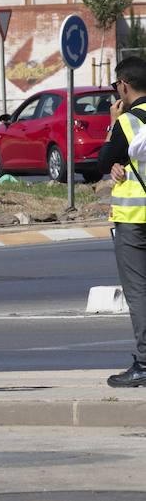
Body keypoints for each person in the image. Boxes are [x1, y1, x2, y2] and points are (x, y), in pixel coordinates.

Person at [102, 57, 146, 388]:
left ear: (124, 86)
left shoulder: (128, 123)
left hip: (135, 220)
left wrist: (114, 122)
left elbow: (105, 159)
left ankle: (145, 362)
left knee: (139, 292)